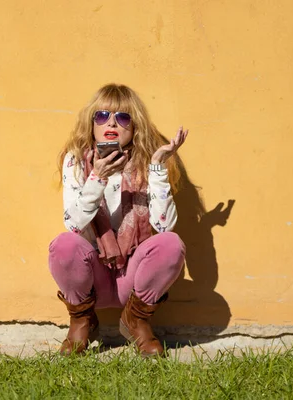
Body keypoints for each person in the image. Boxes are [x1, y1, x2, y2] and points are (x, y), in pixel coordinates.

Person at [48, 84, 188, 357]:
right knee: (64, 245)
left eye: (123, 117)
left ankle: (136, 320)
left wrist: (158, 168)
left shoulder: (148, 163)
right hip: (93, 278)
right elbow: (74, 225)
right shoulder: (75, 161)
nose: (111, 123)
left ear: (134, 126)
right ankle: (82, 321)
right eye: (101, 116)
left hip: (134, 278)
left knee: (171, 244)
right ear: (91, 124)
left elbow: (163, 227)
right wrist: (97, 177)